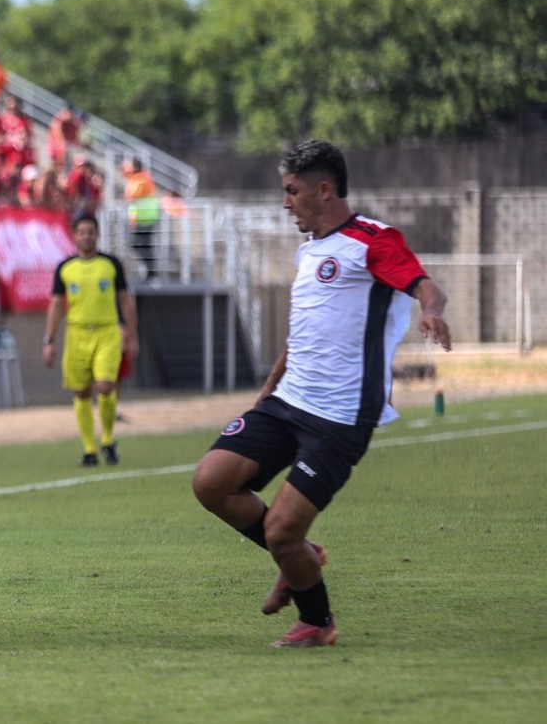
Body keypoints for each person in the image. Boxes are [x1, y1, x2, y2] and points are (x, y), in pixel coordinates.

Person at [191, 140, 452, 649]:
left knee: (280, 531)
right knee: (211, 482)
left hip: (339, 418)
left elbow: (424, 283)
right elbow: (305, 334)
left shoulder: (371, 241)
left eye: (292, 191)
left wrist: (431, 309)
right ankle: (299, 553)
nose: (286, 202)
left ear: (323, 190)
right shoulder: (309, 251)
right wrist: (267, 391)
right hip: (287, 402)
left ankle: (317, 619)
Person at [43, 212, 138, 467]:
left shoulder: (111, 264)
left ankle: (107, 439)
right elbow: (55, 305)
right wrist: (49, 340)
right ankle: (89, 449)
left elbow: (124, 301)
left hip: (107, 332)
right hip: (77, 334)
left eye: (90, 232)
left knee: (105, 386)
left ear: (98, 234)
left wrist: (132, 335)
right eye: (81, 232)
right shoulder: (65, 268)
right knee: (81, 392)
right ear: (74, 236)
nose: (86, 236)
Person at [123, 158, 160, 281]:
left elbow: (132, 194)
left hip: (147, 218)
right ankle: (150, 273)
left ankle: (151, 272)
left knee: (140, 244)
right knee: (141, 245)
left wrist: (128, 177)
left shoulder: (141, 178)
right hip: (143, 218)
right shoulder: (138, 178)